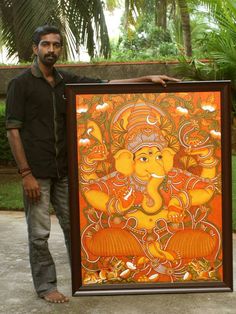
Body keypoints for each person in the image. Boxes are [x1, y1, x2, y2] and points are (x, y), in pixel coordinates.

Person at [5, 25, 179, 303]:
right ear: (34, 48)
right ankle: (46, 286)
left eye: (56, 45)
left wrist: (146, 78)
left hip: (65, 173)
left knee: (76, 227)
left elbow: (105, 86)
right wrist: (25, 174)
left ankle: (86, 278)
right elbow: (13, 130)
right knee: (39, 234)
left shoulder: (66, 82)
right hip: (36, 174)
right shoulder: (20, 85)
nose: (51, 50)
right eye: (46, 44)